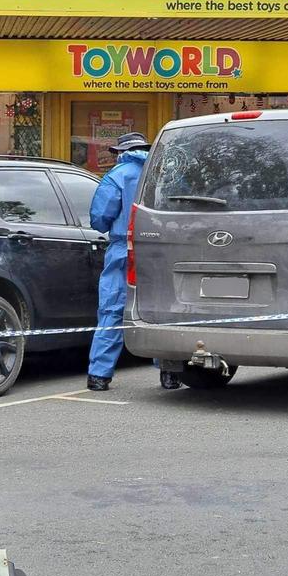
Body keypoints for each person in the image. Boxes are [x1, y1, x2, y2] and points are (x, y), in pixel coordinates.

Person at [87, 132, 180, 392]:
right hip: (158, 247)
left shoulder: (116, 176)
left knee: (112, 310)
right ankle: (170, 373)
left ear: (121, 153)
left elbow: (99, 219)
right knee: (160, 309)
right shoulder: (162, 175)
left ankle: (99, 376)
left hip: (123, 248)